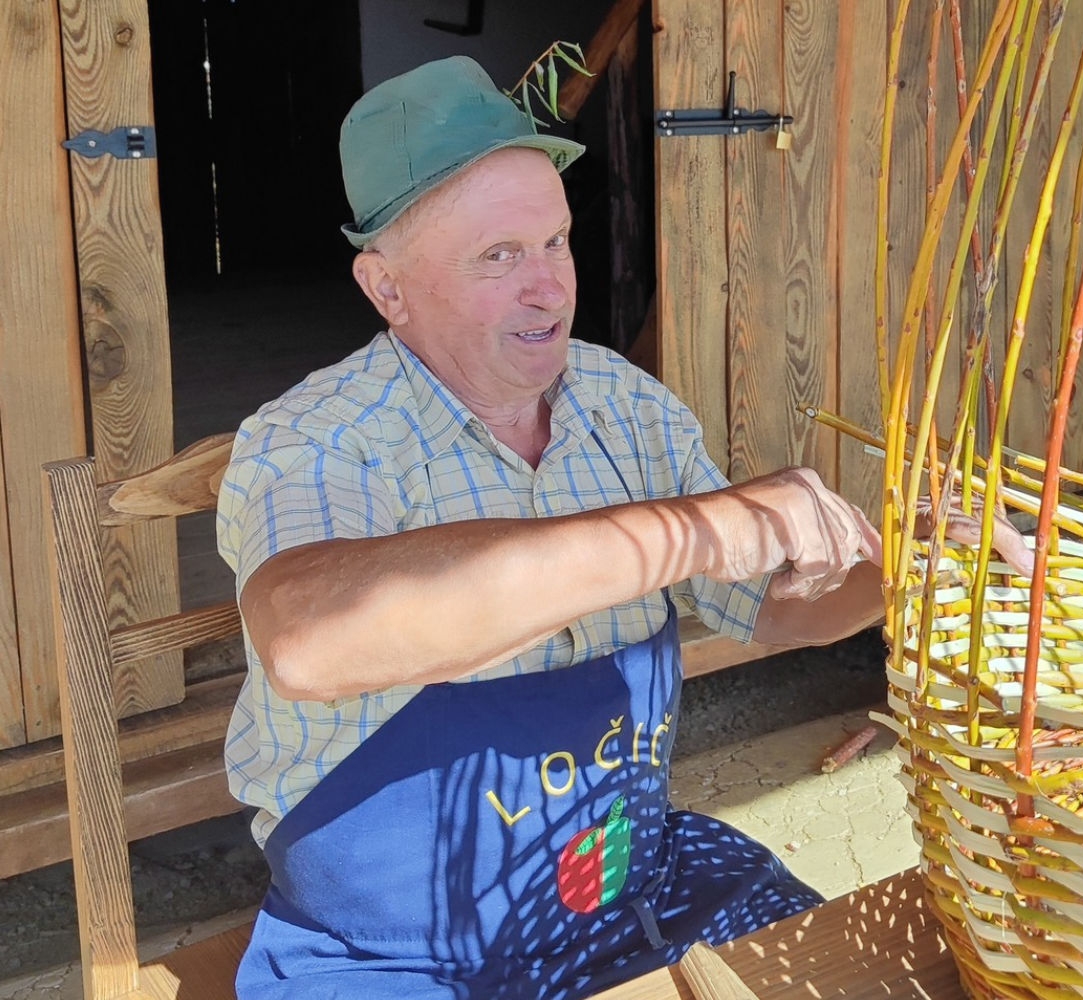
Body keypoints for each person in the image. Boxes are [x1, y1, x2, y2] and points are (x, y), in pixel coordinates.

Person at [218, 55, 1025, 1000]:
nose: (549, 288)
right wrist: (691, 530)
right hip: (401, 958)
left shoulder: (621, 404)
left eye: (556, 243)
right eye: (498, 256)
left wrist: (902, 564)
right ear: (387, 288)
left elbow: (771, 607)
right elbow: (309, 642)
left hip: (635, 894)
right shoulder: (320, 439)